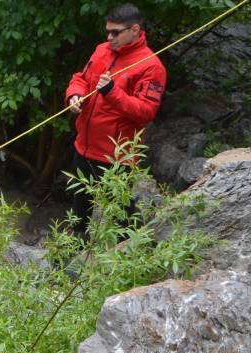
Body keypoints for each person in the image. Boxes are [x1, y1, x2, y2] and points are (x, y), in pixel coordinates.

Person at [64, 3, 166, 238]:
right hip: (85, 146)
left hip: (116, 155)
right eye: (107, 31)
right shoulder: (101, 50)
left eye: (115, 32)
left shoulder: (151, 66)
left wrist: (112, 92)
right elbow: (80, 78)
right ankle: (72, 258)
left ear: (135, 29)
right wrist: (74, 94)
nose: (110, 37)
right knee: (79, 210)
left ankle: (131, 256)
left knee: (122, 215)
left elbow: (146, 111)